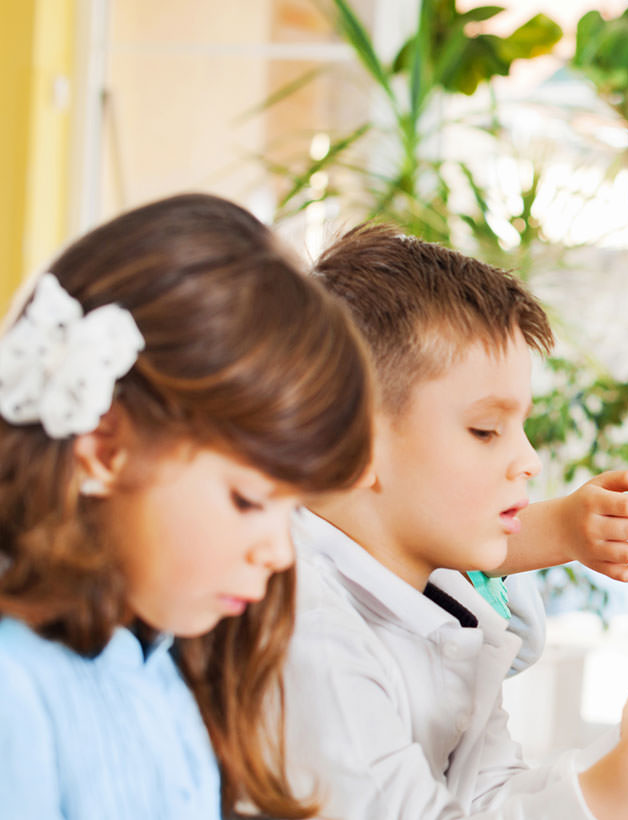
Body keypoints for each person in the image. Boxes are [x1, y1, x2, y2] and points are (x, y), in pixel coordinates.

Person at [278, 224, 628, 820]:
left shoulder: (448, 604)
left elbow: (489, 796)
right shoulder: (312, 642)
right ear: (357, 444)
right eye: (486, 430)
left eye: (520, 427)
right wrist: (618, 787)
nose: (530, 462)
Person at [0, 193, 375, 819]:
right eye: (249, 500)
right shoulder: (15, 689)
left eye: (293, 512)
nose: (279, 552)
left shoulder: (162, 661)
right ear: (103, 446)